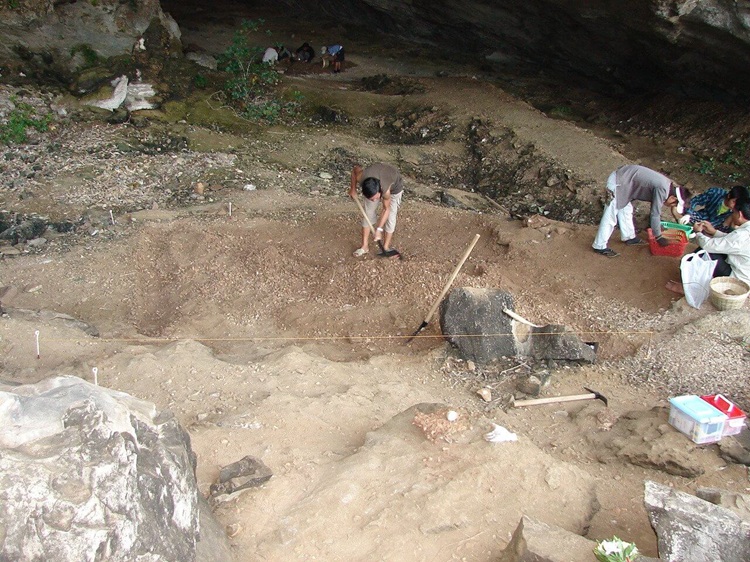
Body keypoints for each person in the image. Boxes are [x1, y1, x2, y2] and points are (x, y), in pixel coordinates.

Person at [592, 164, 691, 258]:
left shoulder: (667, 186)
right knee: (611, 215)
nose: (671, 206)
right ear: (673, 197)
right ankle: (599, 246)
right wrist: (658, 236)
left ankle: (629, 237)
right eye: (674, 204)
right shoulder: (663, 189)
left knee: (626, 210)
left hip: (626, 184)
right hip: (619, 181)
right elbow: (655, 213)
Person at [666, 197, 750, 293]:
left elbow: (708, 245)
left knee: (703, 252)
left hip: (737, 279)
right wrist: (714, 232)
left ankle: (687, 288)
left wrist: (698, 233)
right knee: (711, 249)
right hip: (745, 274)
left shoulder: (741, 235)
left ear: (739, 214)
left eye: (734, 212)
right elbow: (731, 241)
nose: (732, 215)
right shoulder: (746, 231)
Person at [348, 162, 404, 257]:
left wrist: (379, 229)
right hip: (375, 176)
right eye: (371, 199)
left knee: (391, 216)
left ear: (379, 191)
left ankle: (385, 248)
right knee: (368, 213)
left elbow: (386, 209)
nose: (374, 200)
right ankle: (364, 246)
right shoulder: (362, 177)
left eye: (375, 198)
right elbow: (355, 170)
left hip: (395, 186)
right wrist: (353, 189)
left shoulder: (386, 190)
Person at [671, 185, 749, 233]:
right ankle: (685, 225)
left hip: (717, 227)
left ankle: (690, 228)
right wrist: (688, 214)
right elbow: (695, 201)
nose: (735, 205)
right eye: (734, 201)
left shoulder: (738, 209)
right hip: (702, 217)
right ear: (729, 196)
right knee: (678, 208)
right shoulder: (715, 193)